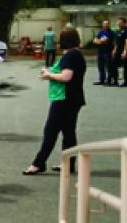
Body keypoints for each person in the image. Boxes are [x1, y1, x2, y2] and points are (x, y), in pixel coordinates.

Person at [23, 28, 86, 175]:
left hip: (64, 99)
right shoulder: (77, 55)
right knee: (68, 133)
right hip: (73, 98)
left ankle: (38, 163)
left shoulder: (70, 56)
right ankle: (68, 163)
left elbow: (66, 76)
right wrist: (51, 72)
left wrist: (49, 75)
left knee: (50, 131)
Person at [111, 17, 127, 87]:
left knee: (126, 66)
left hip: (124, 51)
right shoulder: (118, 31)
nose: (118, 24)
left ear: (124, 23)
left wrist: (125, 52)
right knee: (114, 65)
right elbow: (117, 42)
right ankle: (115, 81)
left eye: (120, 22)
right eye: (118, 22)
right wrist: (114, 50)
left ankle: (126, 82)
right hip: (118, 50)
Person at [92, 20, 114, 85]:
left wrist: (98, 41)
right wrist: (98, 41)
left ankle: (109, 80)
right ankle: (102, 80)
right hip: (100, 52)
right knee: (100, 67)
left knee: (108, 67)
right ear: (102, 25)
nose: (105, 25)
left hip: (108, 52)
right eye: (104, 24)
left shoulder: (111, 32)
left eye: (107, 24)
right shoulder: (101, 32)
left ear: (109, 24)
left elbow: (105, 40)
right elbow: (94, 40)